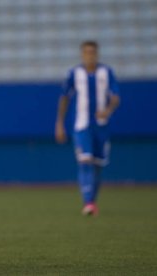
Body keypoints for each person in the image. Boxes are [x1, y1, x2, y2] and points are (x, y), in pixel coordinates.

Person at [55, 41, 120, 216]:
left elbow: (115, 97)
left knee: (98, 164)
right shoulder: (74, 74)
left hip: (101, 127)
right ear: (82, 54)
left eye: (93, 52)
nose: (90, 55)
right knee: (85, 161)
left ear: (97, 54)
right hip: (81, 126)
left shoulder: (106, 72)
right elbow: (64, 98)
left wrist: (107, 110)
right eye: (87, 52)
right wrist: (59, 123)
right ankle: (88, 203)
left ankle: (92, 201)